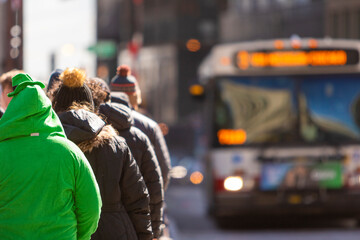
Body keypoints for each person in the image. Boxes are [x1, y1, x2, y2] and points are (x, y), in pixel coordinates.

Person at [51, 68, 153, 240]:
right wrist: (146, 236)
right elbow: (138, 200)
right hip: (116, 231)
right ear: (91, 106)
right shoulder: (116, 144)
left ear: (55, 107)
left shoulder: (51, 145)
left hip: (65, 231)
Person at [0, 73, 102, 240]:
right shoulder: (70, 152)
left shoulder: (2, 151)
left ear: (13, 111)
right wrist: (79, 236)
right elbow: (91, 208)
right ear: (48, 110)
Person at [87, 77, 164, 239]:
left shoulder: (81, 136)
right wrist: (152, 232)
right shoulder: (139, 135)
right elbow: (153, 186)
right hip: (125, 227)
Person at [110, 65, 172, 191]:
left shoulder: (98, 121)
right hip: (142, 201)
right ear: (134, 96)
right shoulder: (149, 126)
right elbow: (164, 170)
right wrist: (155, 204)